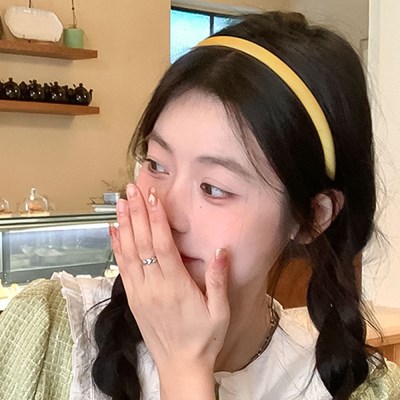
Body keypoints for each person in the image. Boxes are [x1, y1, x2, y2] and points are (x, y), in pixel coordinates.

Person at [0, 10, 400, 400]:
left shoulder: (363, 390)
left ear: (311, 217)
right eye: (156, 165)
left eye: (213, 188)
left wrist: (184, 368)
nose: (165, 213)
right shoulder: (45, 331)